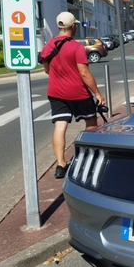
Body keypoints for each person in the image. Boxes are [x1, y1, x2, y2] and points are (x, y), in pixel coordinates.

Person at [40, 12, 106, 179]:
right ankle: (89, 159)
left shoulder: (48, 45)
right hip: (78, 93)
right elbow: (84, 74)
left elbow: (47, 70)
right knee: (91, 123)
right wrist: (98, 94)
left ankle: (61, 165)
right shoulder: (77, 47)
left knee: (60, 126)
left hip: (55, 92)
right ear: (73, 26)